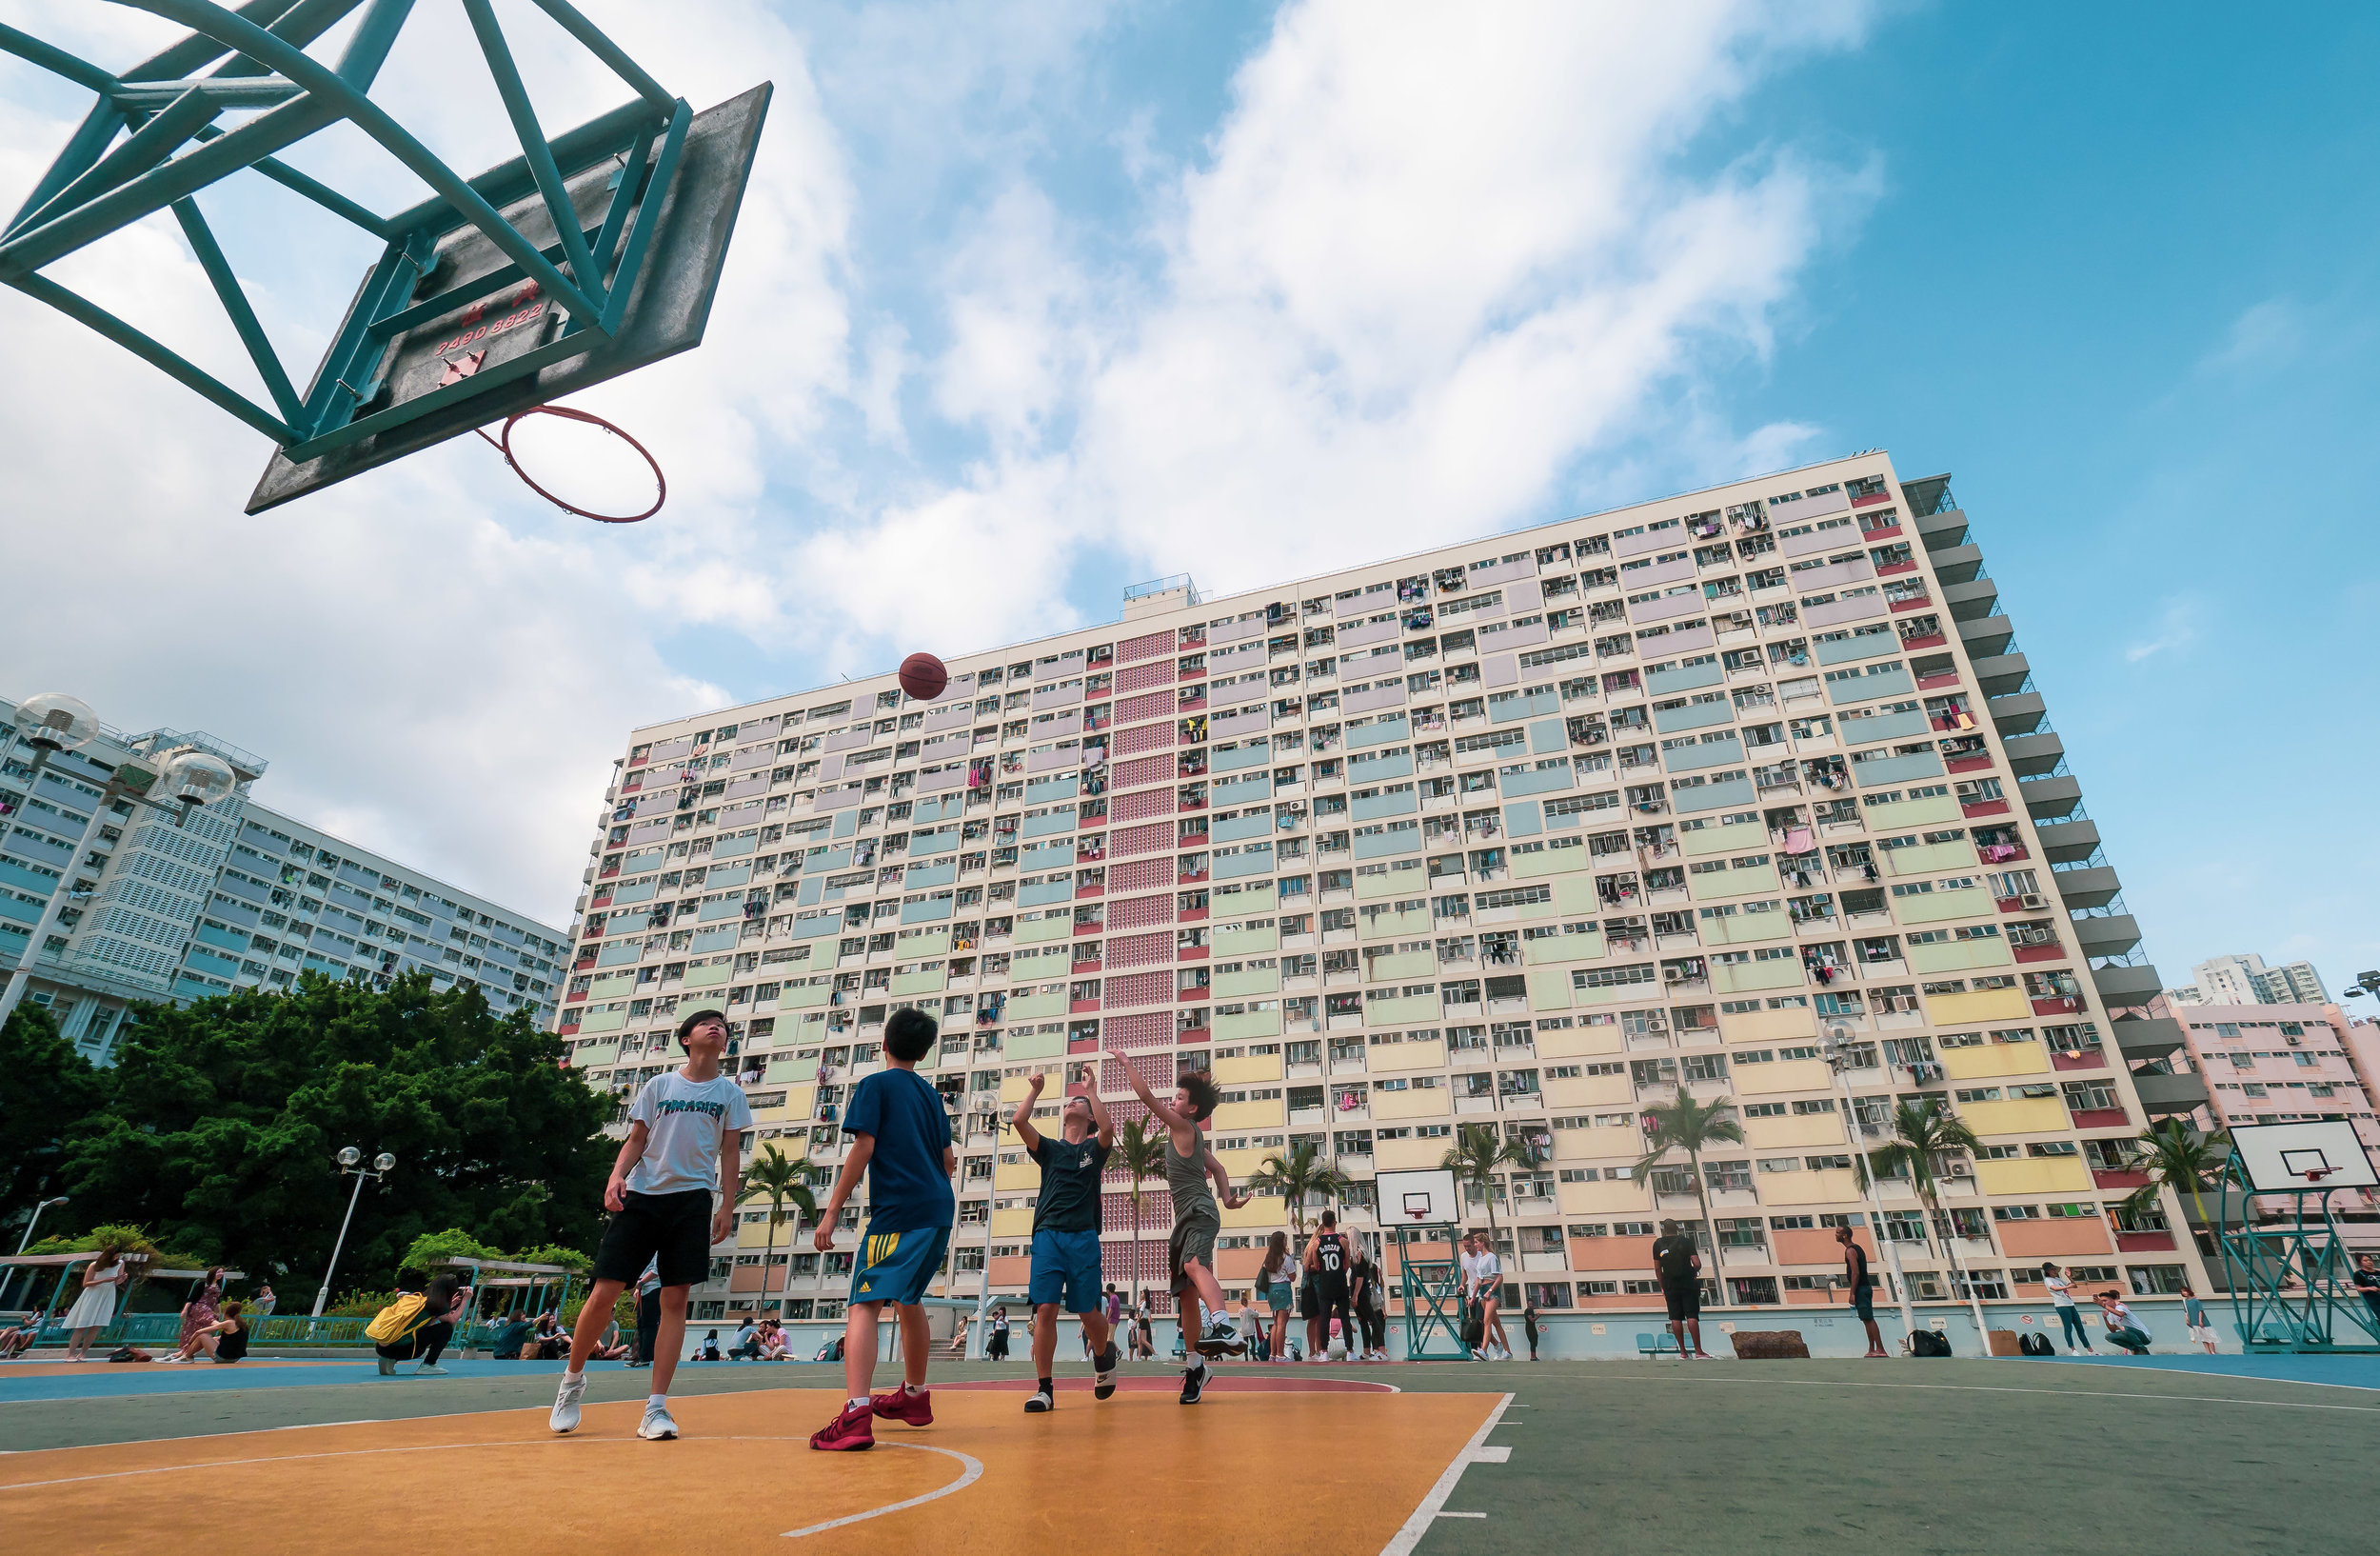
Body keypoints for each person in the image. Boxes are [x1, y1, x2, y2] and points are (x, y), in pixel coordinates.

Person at [551, 1007, 750, 1442]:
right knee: (605, 1291)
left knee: (675, 1301)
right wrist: (615, 1175)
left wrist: (727, 1206)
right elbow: (637, 1137)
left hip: (693, 1200)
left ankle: (655, 1408)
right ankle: (571, 1380)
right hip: (643, 1196)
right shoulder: (660, 1085)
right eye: (706, 1023)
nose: (717, 1028)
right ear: (686, 1038)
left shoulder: (731, 1093)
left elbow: (731, 1152)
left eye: (723, 1026)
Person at [809, 1007, 958, 1451]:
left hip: (899, 1212)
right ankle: (913, 1396)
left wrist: (832, 1211)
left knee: (864, 1304)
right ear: (924, 1051)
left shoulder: (875, 1085)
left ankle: (855, 1414)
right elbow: (949, 1163)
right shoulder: (931, 1096)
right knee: (909, 1299)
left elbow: (864, 1147)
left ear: (884, 1045)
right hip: (938, 1210)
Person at [1106, 1047, 1250, 1405]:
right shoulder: (1192, 1139)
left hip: (1198, 1212)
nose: (1174, 1099)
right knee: (1185, 1295)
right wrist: (1229, 1199)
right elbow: (1217, 1169)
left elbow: (1145, 1097)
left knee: (1193, 1265)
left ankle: (1223, 1323)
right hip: (1187, 1219)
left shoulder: (1182, 1126)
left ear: (1192, 1110)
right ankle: (1196, 1367)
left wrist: (1126, 1062)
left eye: (1180, 1097)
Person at [1012, 1073, 1121, 1412]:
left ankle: (1104, 1354)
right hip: (1048, 1234)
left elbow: (1108, 1130)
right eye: (1070, 1100)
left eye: (1079, 1102)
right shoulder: (1049, 1149)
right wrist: (1035, 1090)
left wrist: (1091, 1090)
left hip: (1083, 1236)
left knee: (1088, 1312)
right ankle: (1044, 1389)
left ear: (1089, 1116)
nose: (1070, 1101)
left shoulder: (1093, 1149)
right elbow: (1019, 1120)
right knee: (1045, 1308)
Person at [369, 1273, 467, 1375]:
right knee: (446, 1328)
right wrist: (465, 1300)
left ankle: (389, 1359)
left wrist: (450, 1305)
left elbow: (426, 1322)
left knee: (418, 1330)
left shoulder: (417, 1299)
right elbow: (452, 1320)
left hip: (383, 1346)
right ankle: (429, 1364)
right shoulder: (436, 1306)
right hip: (406, 1350)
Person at [1302, 1210, 1358, 1365]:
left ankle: (1324, 1352)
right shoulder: (1343, 1241)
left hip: (1325, 1283)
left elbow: (1315, 1265)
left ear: (1323, 1222)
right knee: (1345, 1318)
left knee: (1324, 1318)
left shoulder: (1316, 1243)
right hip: (1340, 1281)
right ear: (1334, 1222)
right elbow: (1347, 1264)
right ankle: (1350, 1351)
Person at [1650, 1219, 1710, 1359]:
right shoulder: (1686, 1241)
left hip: (1670, 1285)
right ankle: (1698, 1351)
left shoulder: (1658, 1244)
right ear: (1677, 1229)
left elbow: (1657, 1268)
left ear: (1664, 1229)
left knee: (1675, 1317)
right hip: (1688, 1282)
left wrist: (1662, 1286)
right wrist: (1693, 1270)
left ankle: (1683, 1352)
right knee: (1692, 1315)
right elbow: (1697, 1263)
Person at [62, 1250, 131, 1363]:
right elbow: (86, 1283)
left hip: (108, 1294)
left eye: (118, 1256)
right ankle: (70, 1354)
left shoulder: (120, 1263)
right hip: (92, 1295)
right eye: (115, 1256)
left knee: (96, 1326)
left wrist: (122, 1279)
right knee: (82, 1325)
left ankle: (83, 1353)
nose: (116, 1258)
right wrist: (103, 1280)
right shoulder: (94, 1265)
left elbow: (117, 1282)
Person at [1837, 1224, 1886, 1358]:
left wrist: (1852, 1292)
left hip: (1861, 1288)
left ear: (1844, 1235)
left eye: (1838, 1233)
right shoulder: (1857, 1248)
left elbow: (1855, 1272)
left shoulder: (1850, 1250)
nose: (1836, 1235)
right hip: (1864, 1288)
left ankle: (1881, 1349)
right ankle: (1872, 1348)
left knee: (1869, 1318)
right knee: (1865, 1319)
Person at [1259, 1230, 1298, 1364]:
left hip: (1271, 1290)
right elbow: (1292, 1277)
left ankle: (1273, 1353)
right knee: (1282, 1324)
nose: (1286, 1242)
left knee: (1275, 1323)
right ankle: (1280, 1354)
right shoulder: (1285, 1258)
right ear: (1281, 1242)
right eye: (1285, 1239)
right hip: (1283, 1289)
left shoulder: (1268, 1258)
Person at [2042, 1263, 2093, 1354]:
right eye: (2052, 1269)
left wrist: (2069, 1277)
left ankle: (2090, 1350)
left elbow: (2075, 1285)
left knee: (2080, 1328)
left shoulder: (2058, 1279)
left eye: (2055, 1269)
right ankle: (2073, 1350)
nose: (2055, 1271)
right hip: (2061, 1305)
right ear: (2048, 1271)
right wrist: (2067, 1287)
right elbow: (2054, 1288)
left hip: (2070, 1304)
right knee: (2068, 1327)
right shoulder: (2048, 1280)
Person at [174, 1266, 224, 1357]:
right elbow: (192, 1298)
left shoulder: (218, 1286)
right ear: (213, 1273)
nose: (220, 1274)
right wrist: (185, 1310)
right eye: (218, 1272)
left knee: (198, 1331)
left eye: (222, 1272)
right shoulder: (202, 1284)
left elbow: (217, 1300)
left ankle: (186, 1352)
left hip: (209, 1309)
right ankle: (221, 1325)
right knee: (190, 1329)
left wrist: (218, 1312)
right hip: (199, 1307)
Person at [1352, 1250, 1388, 1361]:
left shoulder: (1373, 1284)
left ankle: (1377, 1350)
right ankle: (1372, 1350)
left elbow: (1381, 1290)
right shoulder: (1368, 1283)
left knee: (1376, 1327)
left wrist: (1380, 1275)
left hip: (1375, 1306)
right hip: (1372, 1305)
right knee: (1370, 1327)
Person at [628, 1258, 664, 1368]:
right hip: (644, 1289)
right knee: (640, 1324)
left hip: (654, 1289)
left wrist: (641, 1283)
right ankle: (638, 1356)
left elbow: (656, 1271)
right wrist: (638, 1288)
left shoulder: (659, 1251)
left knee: (649, 1325)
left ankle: (645, 1357)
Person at [2094, 1289, 2152, 1354]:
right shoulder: (2109, 1314)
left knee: (2124, 1328)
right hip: (2130, 1336)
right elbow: (2113, 1330)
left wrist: (2104, 1306)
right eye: (2101, 1301)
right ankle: (2134, 1349)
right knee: (2109, 1336)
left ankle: (2142, 1350)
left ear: (2113, 1300)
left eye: (2105, 1301)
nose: (2103, 1303)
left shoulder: (2120, 1307)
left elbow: (2120, 1314)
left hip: (2144, 1336)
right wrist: (2105, 1318)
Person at [2180, 1284, 2217, 1355]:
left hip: (2202, 1321)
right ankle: (2208, 1352)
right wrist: (2187, 1320)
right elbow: (2186, 1311)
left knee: (2209, 1337)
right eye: (2182, 1292)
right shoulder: (2185, 1302)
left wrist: (2200, 1321)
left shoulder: (2196, 1301)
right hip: (2193, 1321)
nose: (2184, 1293)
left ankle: (2213, 1352)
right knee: (2203, 1338)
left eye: (2184, 1291)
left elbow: (2200, 1310)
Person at [2353, 1255, 2380, 1333]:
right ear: (2360, 1263)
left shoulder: (2378, 1273)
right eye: (2365, 1260)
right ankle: (2375, 1324)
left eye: (2370, 1260)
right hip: (2372, 1298)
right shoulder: (2359, 1274)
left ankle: (2377, 1323)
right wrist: (2369, 1288)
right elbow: (2359, 1288)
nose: (2369, 1262)